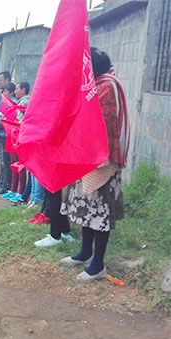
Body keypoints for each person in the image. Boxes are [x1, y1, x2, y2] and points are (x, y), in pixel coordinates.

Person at [60, 48, 129, 283]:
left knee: (100, 212)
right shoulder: (96, 86)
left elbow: (93, 121)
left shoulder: (106, 87)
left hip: (103, 163)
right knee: (87, 210)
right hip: (88, 159)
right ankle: (85, 253)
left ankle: (98, 264)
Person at [3, 82, 31, 203]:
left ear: (23, 90)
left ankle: (20, 191)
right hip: (14, 136)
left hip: (20, 137)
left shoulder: (25, 103)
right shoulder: (19, 103)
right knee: (13, 163)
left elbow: (21, 120)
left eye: (18, 89)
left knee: (19, 165)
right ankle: (13, 189)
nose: (15, 91)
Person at [0, 81, 16, 196]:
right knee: (3, 162)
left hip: (7, 136)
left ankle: (6, 185)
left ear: (11, 92)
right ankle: (2, 183)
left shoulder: (12, 105)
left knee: (6, 162)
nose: (4, 93)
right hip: (1, 135)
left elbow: (4, 120)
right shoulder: (4, 103)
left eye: (6, 91)